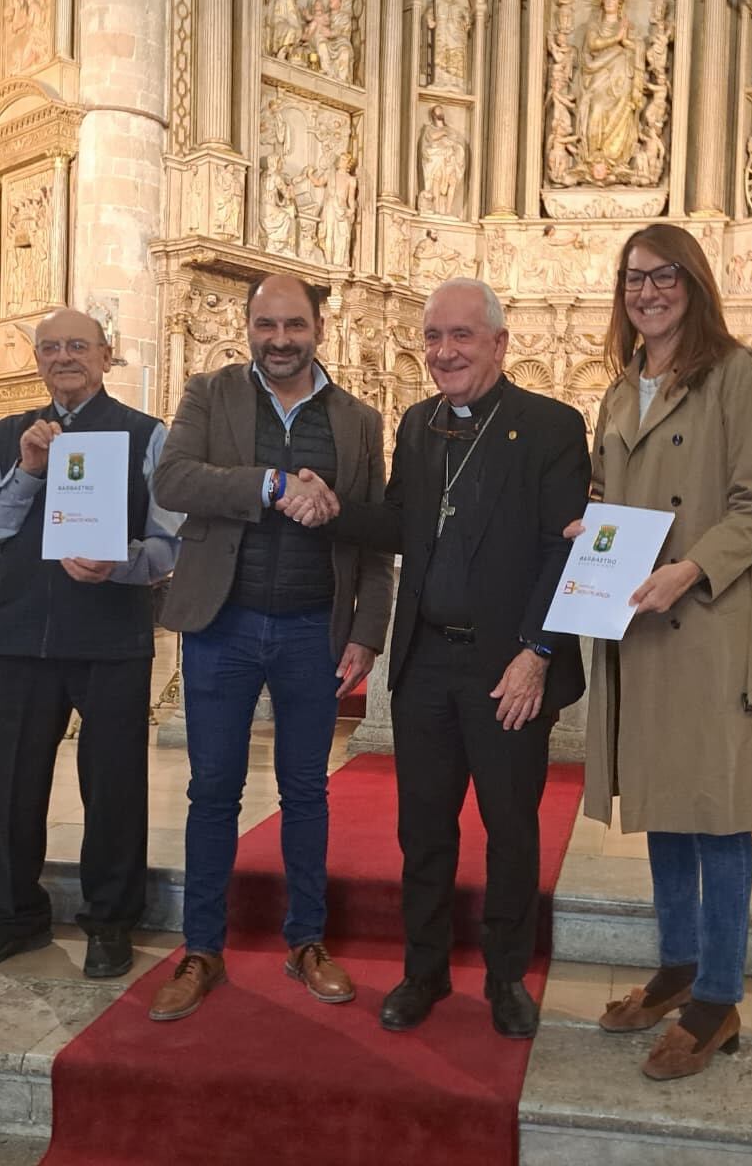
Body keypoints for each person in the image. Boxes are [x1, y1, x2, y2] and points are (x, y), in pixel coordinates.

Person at [281, 278, 590, 1040]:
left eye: (461, 337)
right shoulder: (419, 425)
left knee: (511, 829)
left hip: (507, 669)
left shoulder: (550, 425)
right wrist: (332, 509)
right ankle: (424, 973)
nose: (444, 352)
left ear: (498, 343)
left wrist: (537, 653)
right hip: (425, 668)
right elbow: (401, 525)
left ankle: (508, 977)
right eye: (433, 339)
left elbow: (564, 548)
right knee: (423, 831)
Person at [573, 224, 752, 1081]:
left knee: (717, 811)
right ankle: (675, 969)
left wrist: (686, 571)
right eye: (635, 278)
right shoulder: (617, 393)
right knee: (666, 804)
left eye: (666, 275)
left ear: (695, 283)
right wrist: (593, 529)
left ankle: (717, 999)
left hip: (707, 622)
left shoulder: (734, 375)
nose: (649, 290)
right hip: (642, 624)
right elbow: (614, 497)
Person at [143, 275, 393, 1022]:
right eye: (265, 324)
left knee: (307, 793)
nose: (279, 339)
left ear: (320, 325)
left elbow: (374, 540)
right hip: (223, 625)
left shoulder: (356, 419)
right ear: (247, 325)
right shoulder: (209, 393)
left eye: (293, 325)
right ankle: (201, 949)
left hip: (311, 631)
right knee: (212, 792)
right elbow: (175, 477)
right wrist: (274, 484)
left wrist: (366, 632)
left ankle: (306, 941)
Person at [0, 308, 181, 979]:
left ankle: (109, 921)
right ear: (38, 360)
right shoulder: (9, 434)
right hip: (21, 635)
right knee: (13, 784)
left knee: (113, 786)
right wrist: (27, 470)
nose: (63, 357)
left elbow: (170, 542)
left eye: (78, 345)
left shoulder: (146, 435)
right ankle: (13, 915)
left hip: (110, 635)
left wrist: (123, 562)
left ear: (107, 355)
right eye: (50, 348)